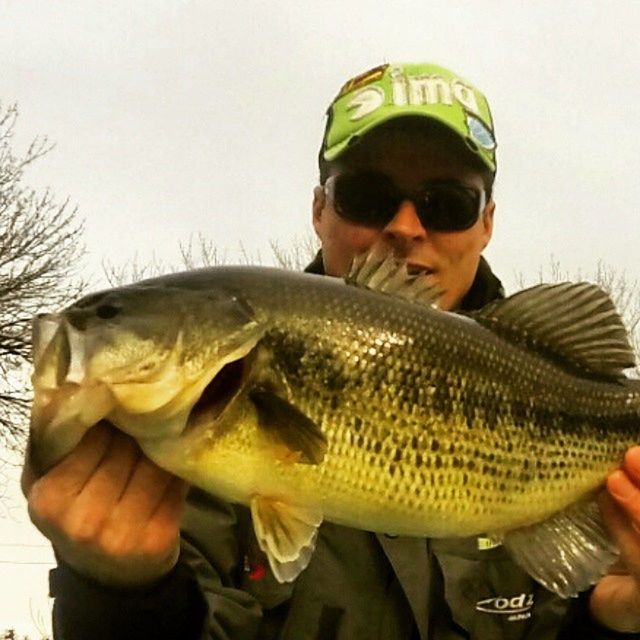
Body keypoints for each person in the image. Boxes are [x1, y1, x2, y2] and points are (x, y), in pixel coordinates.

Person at [22, 62, 640, 639]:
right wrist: (121, 597)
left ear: (487, 223)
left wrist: (618, 618)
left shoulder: (589, 467)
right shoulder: (168, 460)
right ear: (320, 209)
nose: (404, 226)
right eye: (367, 196)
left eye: (447, 204)